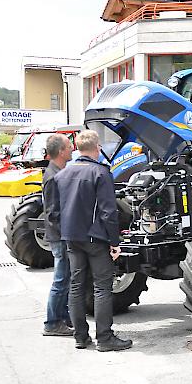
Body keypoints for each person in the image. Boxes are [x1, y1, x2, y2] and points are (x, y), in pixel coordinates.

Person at [55, 130, 133, 352]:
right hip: (94, 238)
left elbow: (56, 209)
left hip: (71, 237)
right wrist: (114, 242)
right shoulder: (100, 173)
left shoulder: (62, 174)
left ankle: (80, 337)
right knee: (102, 287)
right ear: (97, 148)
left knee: (76, 286)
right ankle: (105, 338)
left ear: (77, 148)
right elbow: (109, 212)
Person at [42, 134, 74, 337]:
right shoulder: (53, 176)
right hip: (60, 236)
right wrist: (67, 235)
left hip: (60, 235)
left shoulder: (57, 171)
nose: (72, 149)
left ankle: (62, 317)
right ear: (61, 151)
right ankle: (52, 322)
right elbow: (54, 213)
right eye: (69, 146)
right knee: (61, 280)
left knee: (66, 279)